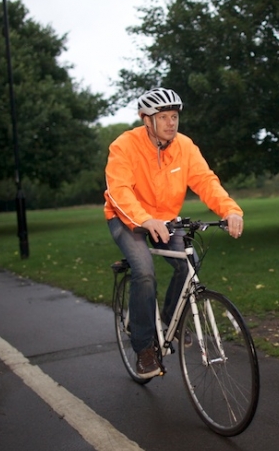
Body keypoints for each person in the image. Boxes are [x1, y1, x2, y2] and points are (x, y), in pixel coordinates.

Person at [104, 87, 244, 378]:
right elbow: (118, 191)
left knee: (188, 267)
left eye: (175, 116)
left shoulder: (185, 146)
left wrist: (229, 210)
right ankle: (144, 348)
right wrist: (144, 219)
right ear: (147, 120)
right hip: (126, 218)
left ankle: (169, 322)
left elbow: (206, 181)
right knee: (143, 271)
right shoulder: (124, 145)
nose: (171, 122)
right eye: (164, 116)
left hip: (166, 220)